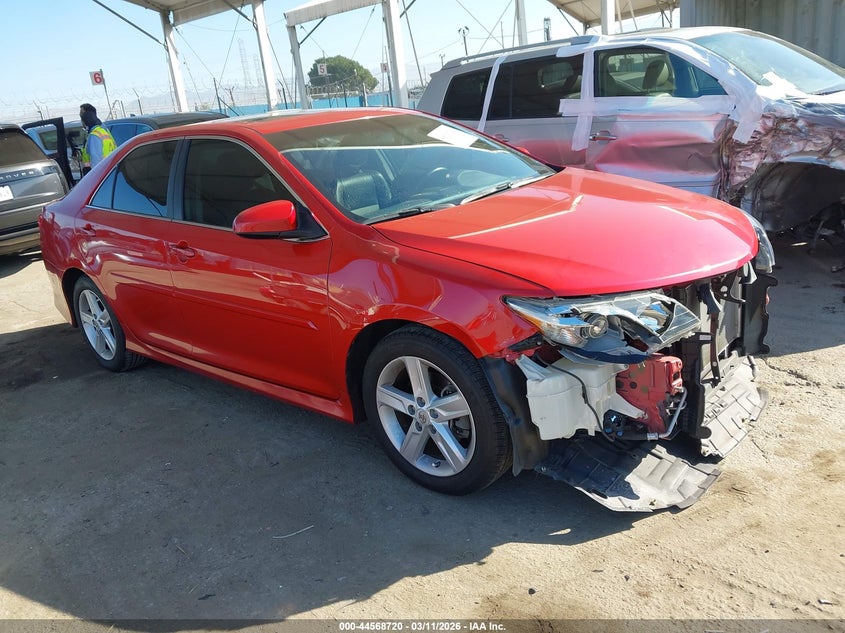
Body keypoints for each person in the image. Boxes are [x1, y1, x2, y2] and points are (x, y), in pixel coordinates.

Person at [79, 103, 117, 174]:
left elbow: (96, 161)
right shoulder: (103, 131)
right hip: (110, 171)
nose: (80, 117)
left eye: (82, 115)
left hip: (101, 173)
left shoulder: (94, 135)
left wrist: (95, 177)